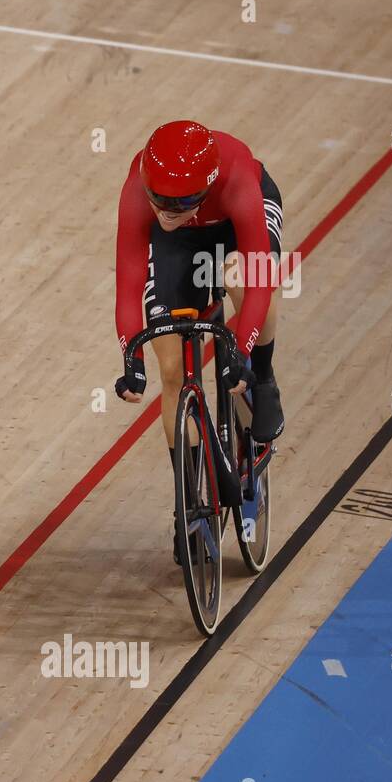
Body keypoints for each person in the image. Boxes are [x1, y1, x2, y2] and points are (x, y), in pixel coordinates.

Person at [112, 119, 285, 561]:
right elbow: (129, 284)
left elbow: (262, 282)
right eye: (159, 201)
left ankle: (263, 379)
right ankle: (188, 506)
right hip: (182, 243)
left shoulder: (237, 179)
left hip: (233, 223)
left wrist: (242, 352)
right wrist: (131, 358)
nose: (166, 211)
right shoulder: (140, 189)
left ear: (204, 190)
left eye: (180, 202)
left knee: (242, 279)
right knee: (172, 369)